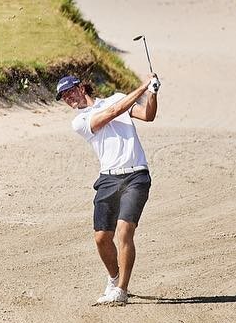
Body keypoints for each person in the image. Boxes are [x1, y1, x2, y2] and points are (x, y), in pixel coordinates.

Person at [57, 72, 161, 306]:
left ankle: (121, 290)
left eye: (70, 91)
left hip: (136, 175)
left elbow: (147, 115)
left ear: (82, 88)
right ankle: (114, 279)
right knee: (102, 238)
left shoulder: (117, 97)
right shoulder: (80, 122)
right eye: (64, 96)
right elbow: (113, 113)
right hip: (108, 179)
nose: (68, 98)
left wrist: (152, 94)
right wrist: (144, 87)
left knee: (125, 232)